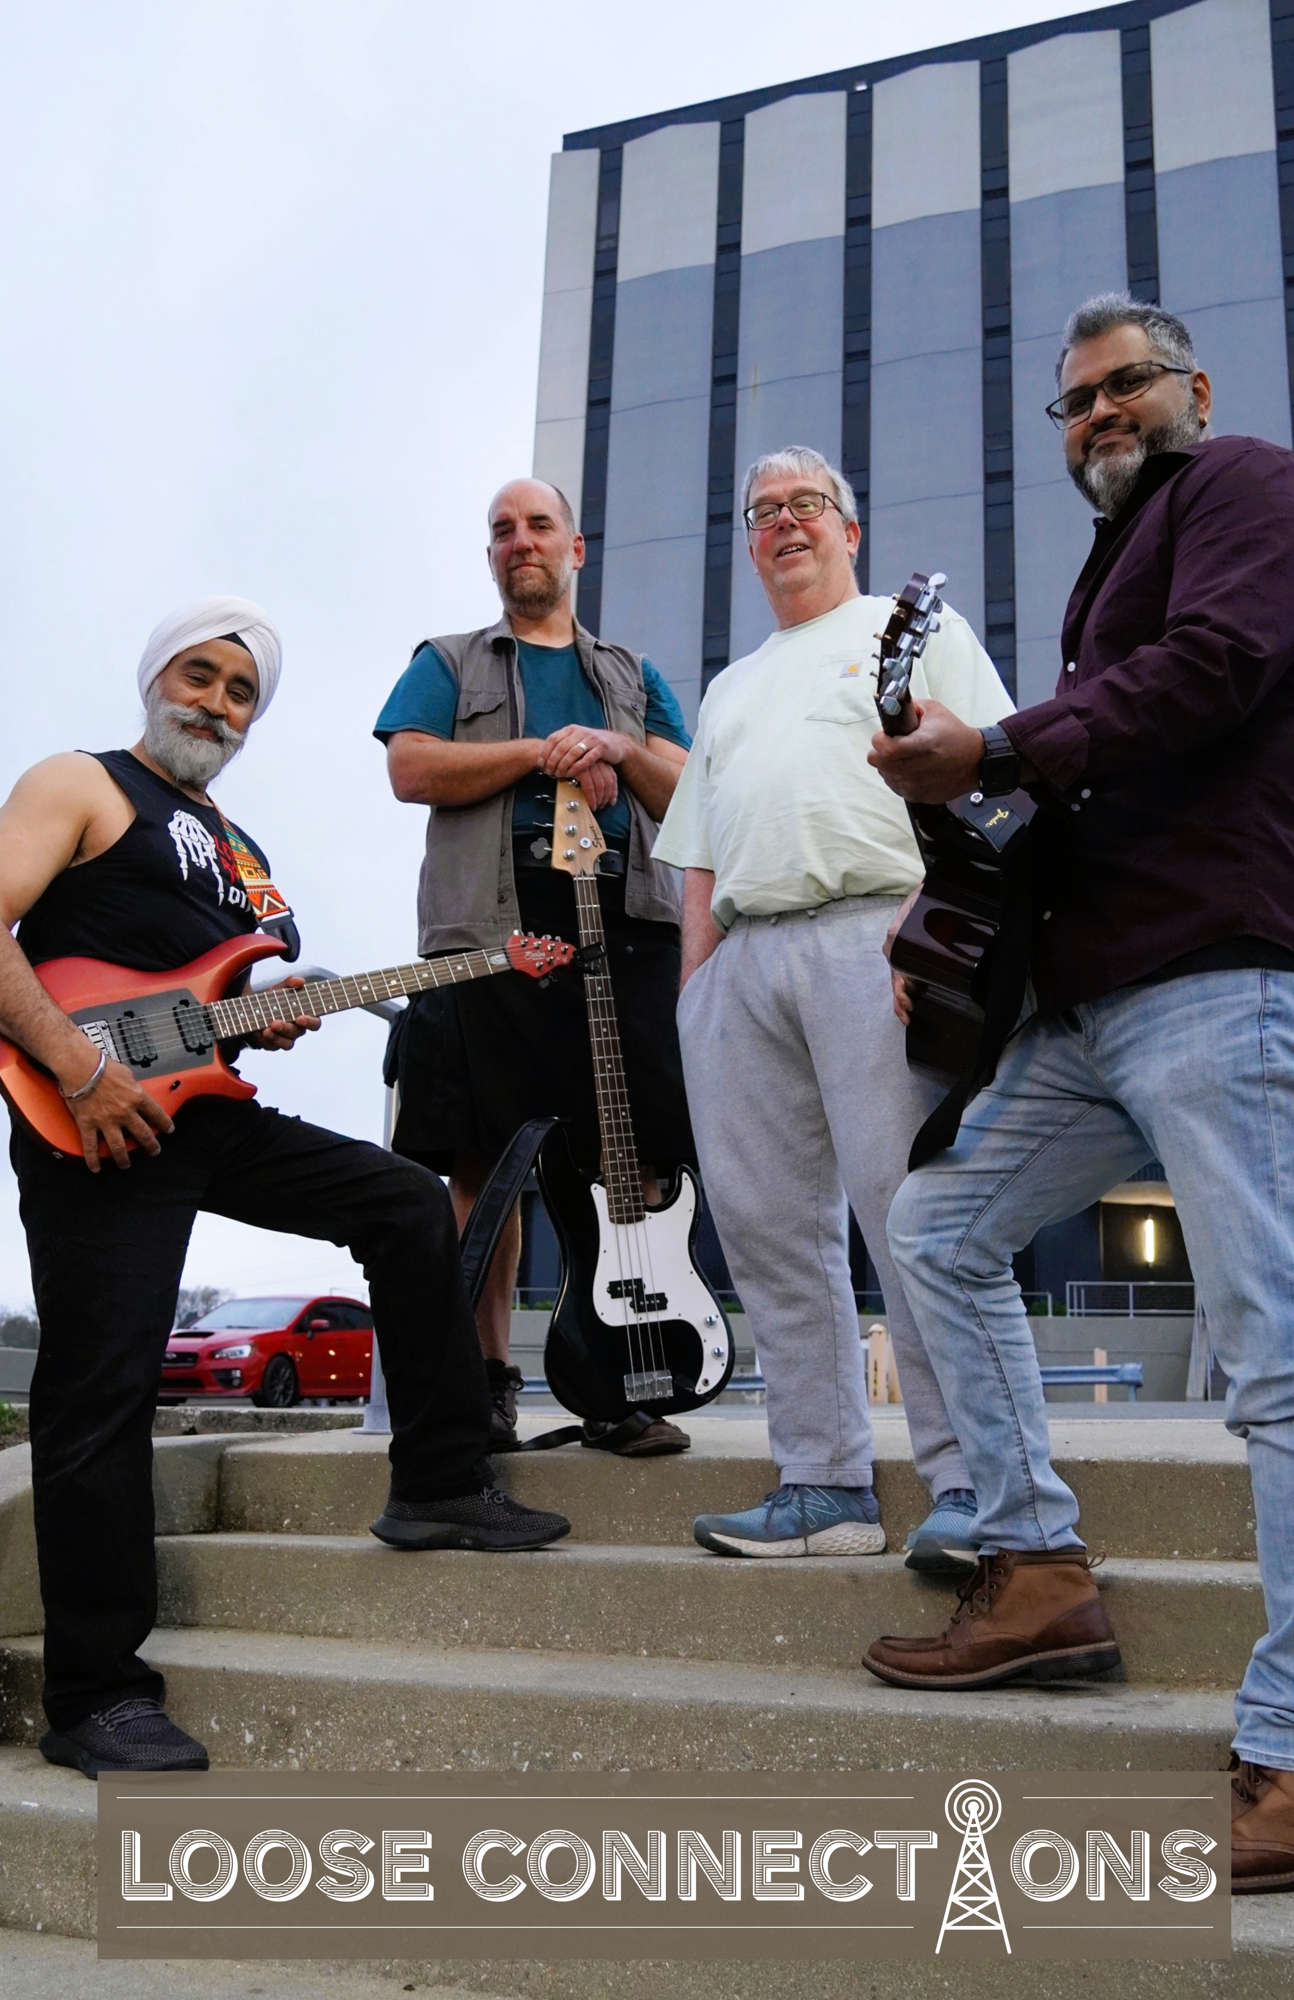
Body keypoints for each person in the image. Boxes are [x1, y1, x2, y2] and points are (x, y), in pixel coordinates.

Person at [865, 293, 1294, 1895]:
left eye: (1122, 389)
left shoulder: (1247, 485)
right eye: (1071, 404)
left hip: (1213, 978)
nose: (1096, 416)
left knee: (1274, 1362)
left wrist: (995, 752)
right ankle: (1037, 1569)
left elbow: (1218, 668)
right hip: (1086, 1002)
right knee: (936, 1227)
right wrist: (957, 925)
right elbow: (1089, 766)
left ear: (1190, 388)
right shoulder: (1105, 568)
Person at [0, 598, 569, 1779]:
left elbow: (212, 1003)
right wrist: (77, 1065)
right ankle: (95, 1693)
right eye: (200, 675)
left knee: (406, 1202)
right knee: (101, 1386)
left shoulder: (243, 852)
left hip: (206, 1105)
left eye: (241, 690)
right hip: (93, 1115)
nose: (216, 701)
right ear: (157, 674)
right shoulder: (85, 782)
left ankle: (439, 1482)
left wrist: (278, 1013)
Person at [652, 446, 1011, 1561]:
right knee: (766, 1232)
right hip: (740, 965)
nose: (785, 523)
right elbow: (698, 851)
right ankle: (821, 1482)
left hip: (877, 934)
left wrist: (933, 928)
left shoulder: (912, 628)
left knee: (906, 1214)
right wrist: (695, 993)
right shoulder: (727, 684)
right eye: (763, 511)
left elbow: (987, 778)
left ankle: (968, 1486)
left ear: (850, 529)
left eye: (807, 504)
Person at [375, 478, 698, 1458]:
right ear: (490, 556)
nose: (521, 542)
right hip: (491, 916)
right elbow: (411, 768)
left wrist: (613, 743)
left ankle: (616, 1378)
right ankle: (487, 1385)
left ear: (576, 549)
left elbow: (690, 788)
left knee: (626, 1159)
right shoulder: (446, 659)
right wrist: (545, 755)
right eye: (502, 530)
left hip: (624, 917)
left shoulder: (633, 672)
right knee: (485, 1160)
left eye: (539, 526)